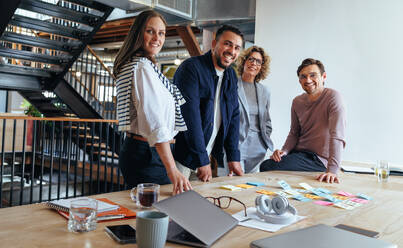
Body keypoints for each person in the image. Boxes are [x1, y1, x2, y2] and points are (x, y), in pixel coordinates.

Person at [113, 10, 192, 195]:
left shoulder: (139, 64)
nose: (157, 38)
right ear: (139, 33)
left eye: (162, 33)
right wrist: (173, 170)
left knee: (146, 214)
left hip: (145, 151)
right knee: (157, 214)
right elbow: (155, 121)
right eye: (151, 31)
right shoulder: (141, 67)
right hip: (149, 154)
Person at [173, 25, 244, 182]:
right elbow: (190, 117)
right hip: (182, 157)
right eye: (227, 44)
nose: (232, 51)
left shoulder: (231, 75)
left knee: (198, 204)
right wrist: (202, 159)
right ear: (214, 44)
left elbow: (233, 116)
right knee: (173, 203)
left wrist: (233, 156)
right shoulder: (191, 68)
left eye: (237, 47)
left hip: (206, 155)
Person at [260, 58, 346, 183]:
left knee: (268, 167)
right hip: (299, 154)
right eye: (303, 77)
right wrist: (284, 151)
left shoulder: (333, 97)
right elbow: (294, 132)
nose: (308, 80)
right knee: (268, 164)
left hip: (318, 159)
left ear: (324, 77)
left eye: (313, 75)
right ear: (299, 80)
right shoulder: (297, 102)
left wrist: (332, 171)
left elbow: (337, 136)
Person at [236, 46, 273, 173]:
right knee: (234, 185)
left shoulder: (265, 91)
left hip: (258, 146)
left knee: (252, 187)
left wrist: (265, 139)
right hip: (237, 144)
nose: (254, 63)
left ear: (262, 66)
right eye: (251, 59)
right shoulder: (232, 86)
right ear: (244, 61)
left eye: (258, 61)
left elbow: (266, 119)